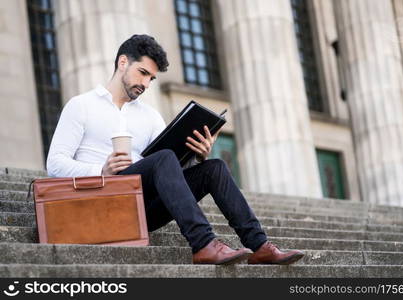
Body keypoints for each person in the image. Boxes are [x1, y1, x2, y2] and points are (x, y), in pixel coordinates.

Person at [47, 34, 305, 265]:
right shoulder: (81, 105)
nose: (146, 84)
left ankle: (259, 246)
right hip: (102, 203)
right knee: (163, 159)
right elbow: (55, 164)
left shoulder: (149, 116)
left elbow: (171, 174)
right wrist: (102, 170)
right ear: (122, 62)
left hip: (142, 209)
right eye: (142, 73)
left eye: (151, 78)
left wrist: (198, 155)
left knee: (213, 167)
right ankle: (203, 244)